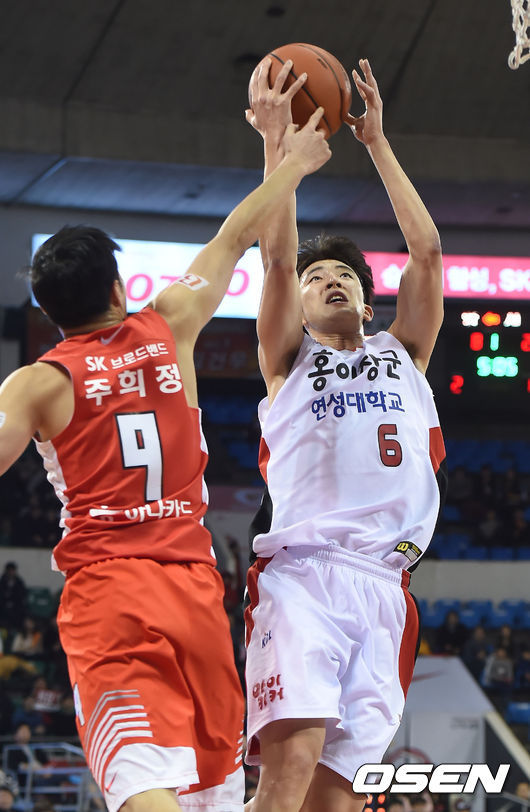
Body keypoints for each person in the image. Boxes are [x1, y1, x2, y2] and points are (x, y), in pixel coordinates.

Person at [0, 118, 331, 812]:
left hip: (110, 593)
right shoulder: (171, 320)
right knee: (211, 793)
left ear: (49, 311)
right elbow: (234, 236)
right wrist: (291, 159)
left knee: (140, 778)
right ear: (118, 291)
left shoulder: (37, 384)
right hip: (195, 591)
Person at [244, 56, 445, 811]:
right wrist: (278, 150)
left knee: (337, 801)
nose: (330, 280)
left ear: (366, 303)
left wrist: (377, 144)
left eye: (346, 278)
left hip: (388, 589)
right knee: (287, 774)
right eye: (315, 278)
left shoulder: (406, 353)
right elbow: (274, 255)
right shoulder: (287, 360)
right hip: (304, 577)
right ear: (298, 305)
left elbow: (426, 253)